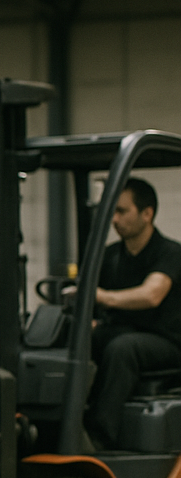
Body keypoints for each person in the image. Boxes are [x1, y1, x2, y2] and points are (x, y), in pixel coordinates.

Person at [86, 177, 181, 448]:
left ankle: (100, 436)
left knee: (123, 348)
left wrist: (104, 297)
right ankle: (65, 421)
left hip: (167, 342)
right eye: (112, 212)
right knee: (77, 339)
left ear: (147, 213)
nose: (114, 219)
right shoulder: (110, 255)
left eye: (121, 211)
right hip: (124, 332)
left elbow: (152, 294)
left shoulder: (170, 253)